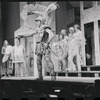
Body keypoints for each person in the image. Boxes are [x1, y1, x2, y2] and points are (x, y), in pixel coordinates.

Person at [35, 15, 56, 80]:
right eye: (37, 21)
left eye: (38, 21)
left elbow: (52, 35)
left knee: (47, 60)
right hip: (38, 45)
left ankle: (53, 75)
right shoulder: (38, 29)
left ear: (41, 21)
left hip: (44, 45)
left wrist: (47, 43)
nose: (37, 22)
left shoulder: (45, 27)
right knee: (38, 61)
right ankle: (40, 76)